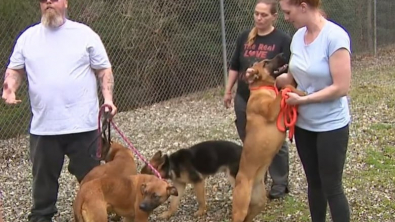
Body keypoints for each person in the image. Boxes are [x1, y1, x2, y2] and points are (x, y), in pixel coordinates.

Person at [1, 0, 117, 221]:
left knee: (92, 184)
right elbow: (14, 70)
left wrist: (108, 100)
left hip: (83, 126)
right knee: (42, 192)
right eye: (44, 1)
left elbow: (104, 70)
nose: (48, 3)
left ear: (65, 2)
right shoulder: (28, 38)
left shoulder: (85, 34)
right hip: (44, 128)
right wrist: (9, 90)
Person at [269, 0, 351, 221]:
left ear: (303, 6)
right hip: (304, 125)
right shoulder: (298, 38)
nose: (286, 18)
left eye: (288, 12)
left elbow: (341, 87)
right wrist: (268, 77)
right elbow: (294, 78)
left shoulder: (335, 37)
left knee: (332, 186)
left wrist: (303, 101)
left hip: (331, 125)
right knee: (314, 183)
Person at [223, 0, 292, 199]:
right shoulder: (245, 37)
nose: (259, 18)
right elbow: (235, 65)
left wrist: (281, 89)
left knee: (276, 141)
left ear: (274, 17)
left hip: (270, 98)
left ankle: (280, 183)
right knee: (250, 140)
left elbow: (287, 68)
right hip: (246, 97)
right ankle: (258, 179)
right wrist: (228, 90)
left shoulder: (282, 39)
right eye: (256, 14)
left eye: (264, 15)